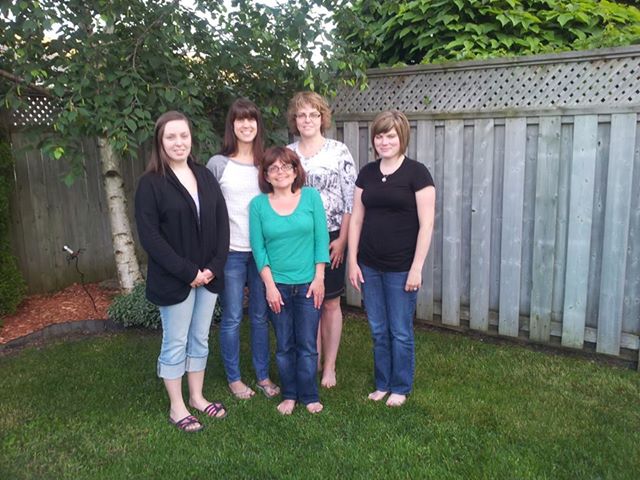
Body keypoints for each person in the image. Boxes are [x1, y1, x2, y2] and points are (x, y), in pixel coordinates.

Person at [135, 111, 230, 432]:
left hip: (209, 277)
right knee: (175, 341)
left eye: (184, 136)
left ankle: (197, 397)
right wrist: (189, 272)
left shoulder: (204, 176)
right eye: (171, 137)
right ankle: (177, 407)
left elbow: (222, 224)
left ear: (192, 139)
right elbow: (150, 238)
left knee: (200, 338)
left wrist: (213, 268)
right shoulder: (150, 184)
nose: (179, 142)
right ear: (160, 142)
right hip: (175, 279)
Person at [347, 110, 436, 408]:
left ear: (402, 138)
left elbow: (427, 224)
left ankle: (400, 386)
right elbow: (356, 219)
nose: (384, 141)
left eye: (390, 136)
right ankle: (382, 383)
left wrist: (416, 268)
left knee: (400, 330)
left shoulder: (417, 173)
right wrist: (352, 261)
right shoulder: (367, 173)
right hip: (369, 265)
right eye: (380, 136)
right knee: (377, 328)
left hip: (401, 268)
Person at [207, 99, 280, 400]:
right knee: (234, 316)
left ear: (258, 125)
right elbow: (208, 210)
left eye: (251, 119)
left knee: (260, 316)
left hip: (262, 253)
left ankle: (263, 376)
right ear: (232, 125)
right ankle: (234, 379)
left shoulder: (267, 164)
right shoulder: (218, 164)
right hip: (231, 253)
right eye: (240, 119)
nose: (246, 125)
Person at [249, 146, 329, 415]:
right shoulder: (258, 205)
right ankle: (290, 394)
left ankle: (310, 395)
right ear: (266, 176)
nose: (280, 172)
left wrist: (319, 278)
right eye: (273, 168)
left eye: (286, 166)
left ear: (295, 171)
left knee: (307, 344)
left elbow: (321, 240)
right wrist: (270, 287)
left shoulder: (311, 197)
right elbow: (259, 249)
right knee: (284, 345)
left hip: (308, 285)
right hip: (278, 287)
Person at [287, 91, 356, 389]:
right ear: (294, 120)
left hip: (331, 237)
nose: (307, 120)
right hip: (299, 238)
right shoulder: (288, 153)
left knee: (329, 302)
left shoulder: (338, 151)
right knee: (307, 301)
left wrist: (342, 240)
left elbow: (351, 199)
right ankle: (311, 358)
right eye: (301, 115)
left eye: (313, 114)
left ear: (322, 118)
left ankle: (329, 367)